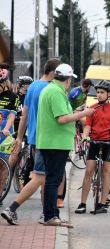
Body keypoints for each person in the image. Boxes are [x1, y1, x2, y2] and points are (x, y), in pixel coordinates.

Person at [1, 58, 62, 225]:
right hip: (47, 139)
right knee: (41, 178)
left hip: (34, 137)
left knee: (44, 177)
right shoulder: (51, 88)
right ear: (52, 73)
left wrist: (20, 137)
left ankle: (46, 213)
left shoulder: (33, 86)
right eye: (59, 74)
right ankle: (14, 209)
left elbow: (24, 115)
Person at [36, 64, 94, 226]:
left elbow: (64, 115)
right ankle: (50, 216)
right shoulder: (55, 92)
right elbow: (61, 119)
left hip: (52, 142)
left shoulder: (53, 90)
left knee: (52, 179)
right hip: (55, 143)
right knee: (54, 180)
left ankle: (52, 214)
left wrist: (76, 112)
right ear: (68, 79)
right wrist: (84, 113)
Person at [75, 80, 110, 215]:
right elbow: (88, 126)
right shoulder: (92, 108)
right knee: (89, 171)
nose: (99, 95)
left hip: (108, 142)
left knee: (106, 171)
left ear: (108, 94)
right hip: (95, 141)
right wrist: (84, 136)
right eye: (98, 92)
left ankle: (102, 203)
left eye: (102, 92)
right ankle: (82, 203)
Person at [0, 68, 19, 207]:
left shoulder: (13, 97)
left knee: (3, 167)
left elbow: (12, 115)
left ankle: (0, 194)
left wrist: (6, 128)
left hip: (5, 135)